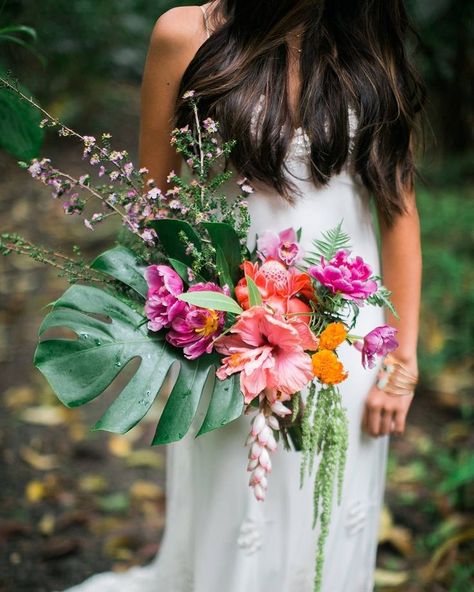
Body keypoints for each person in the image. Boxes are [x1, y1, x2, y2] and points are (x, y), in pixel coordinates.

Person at [64, 1, 423, 591]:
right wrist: (191, 319)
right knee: (234, 522)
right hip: (228, 337)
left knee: (327, 520)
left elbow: (400, 212)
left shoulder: (367, 47)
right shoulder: (186, 34)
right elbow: (157, 203)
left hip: (346, 344)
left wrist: (401, 361)